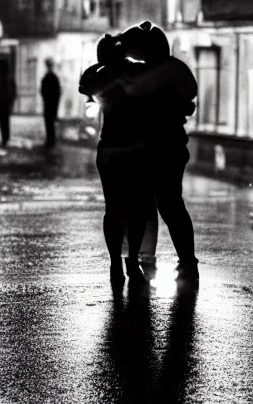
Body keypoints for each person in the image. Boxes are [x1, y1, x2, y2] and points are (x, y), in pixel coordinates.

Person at [80, 21, 199, 285]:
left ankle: (134, 262)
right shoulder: (154, 71)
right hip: (147, 149)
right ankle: (144, 260)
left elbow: (93, 84)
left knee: (147, 206)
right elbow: (185, 100)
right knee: (151, 206)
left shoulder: (144, 73)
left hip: (145, 149)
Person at [0, 58, 17, 150]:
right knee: (4, 120)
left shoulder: (2, 77)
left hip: (2, 102)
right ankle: (5, 137)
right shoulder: (7, 77)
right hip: (4, 102)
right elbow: (13, 90)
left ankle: (5, 137)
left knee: (3, 121)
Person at [40, 58, 61, 149]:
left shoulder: (48, 77)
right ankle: (51, 140)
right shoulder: (53, 77)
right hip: (51, 103)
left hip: (49, 103)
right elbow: (57, 92)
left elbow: (43, 91)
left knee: (49, 122)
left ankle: (50, 140)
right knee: (50, 122)